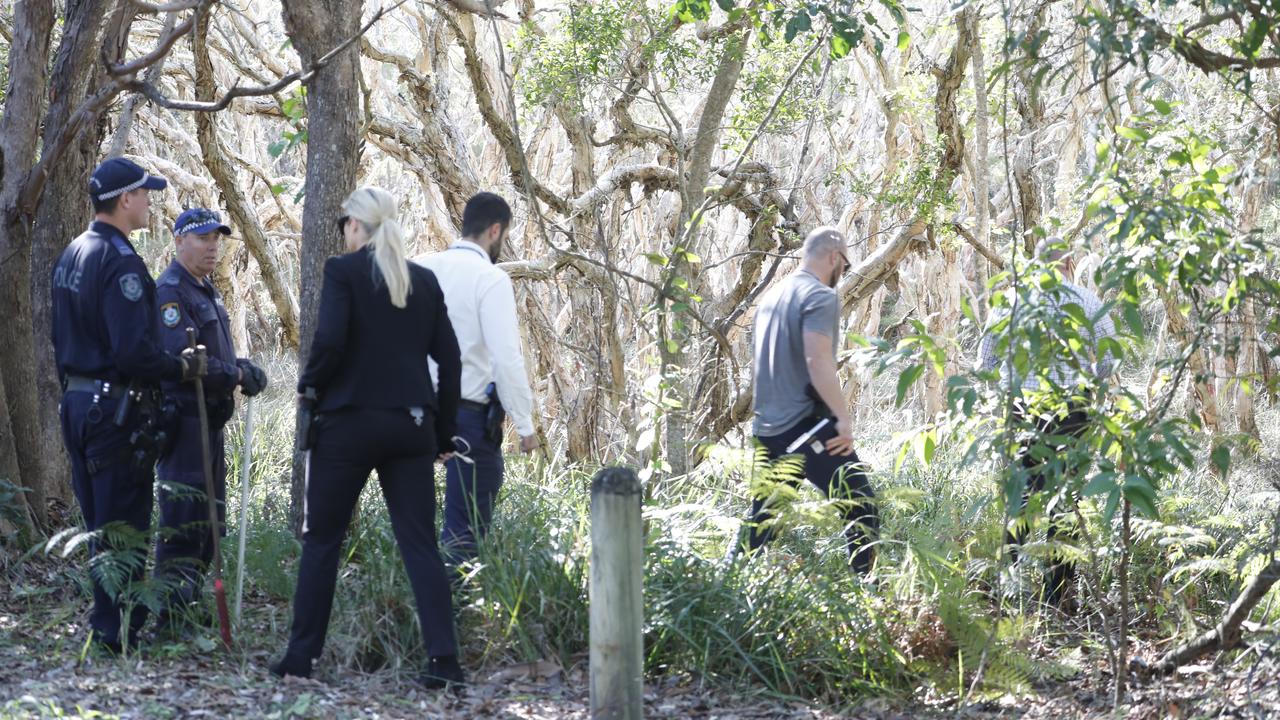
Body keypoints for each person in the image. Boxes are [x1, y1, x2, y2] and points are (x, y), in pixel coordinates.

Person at [270, 187, 465, 689]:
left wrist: (309, 386)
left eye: (344, 226)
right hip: (411, 427)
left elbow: (331, 341)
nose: (343, 234)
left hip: (348, 426)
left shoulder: (344, 272)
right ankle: (445, 664)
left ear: (356, 225)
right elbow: (450, 359)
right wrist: (444, 431)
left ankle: (300, 658)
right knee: (421, 544)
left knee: (323, 543)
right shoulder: (423, 281)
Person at [51, 157, 206, 653]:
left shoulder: (72, 253)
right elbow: (133, 352)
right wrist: (181, 366)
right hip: (112, 412)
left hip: (77, 405)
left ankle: (110, 629)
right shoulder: (120, 261)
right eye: (144, 194)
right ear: (124, 200)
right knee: (122, 528)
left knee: (100, 525)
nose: (149, 202)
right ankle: (115, 635)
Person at [977, 237, 1117, 605]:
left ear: (1036, 263)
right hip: (1072, 411)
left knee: (1020, 494)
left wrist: (1002, 393)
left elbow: (986, 361)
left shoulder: (1010, 299)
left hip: (1021, 410)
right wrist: (1094, 383)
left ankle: (1008, 582)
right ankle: (1057, 592)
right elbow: (1109, 357)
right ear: (1070, 263)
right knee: (1064, 497)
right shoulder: (1086, 301)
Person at [152, 208, 267, 634]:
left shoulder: (206, 290)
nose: (212, 246)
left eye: (217, 238)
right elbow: (182, 361)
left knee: (211, 518)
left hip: (211, 422)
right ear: (179, 240)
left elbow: (213, 355)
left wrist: (239, 365)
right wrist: (233, 374)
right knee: (183, 518)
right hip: (184, 421)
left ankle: (191, 602)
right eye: (202, 238)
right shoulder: (171, 292)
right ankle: (169, 615)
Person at [743, 226, 878, 576]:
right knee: (862, 508)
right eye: (845, 266)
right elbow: (817, 361)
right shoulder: (820, 296)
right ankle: (867, 602)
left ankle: (722, 598)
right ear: (835, 257)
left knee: (761, 524)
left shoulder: (772, 297)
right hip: (808, 427)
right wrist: (842, 418)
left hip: (767, 429)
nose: (842, 274)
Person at [415, 192, 539, 570]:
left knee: (412, 527)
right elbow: (506, 358)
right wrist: (525, 424)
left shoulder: (419, 268)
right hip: (467, 417)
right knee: (464, 531)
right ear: (495, 230)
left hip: (410, 413)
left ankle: (412, 610)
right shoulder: (491, 279)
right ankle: (455, 614)